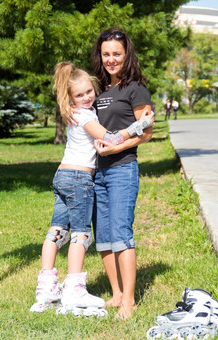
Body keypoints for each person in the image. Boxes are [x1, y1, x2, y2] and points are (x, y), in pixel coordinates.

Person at [30, 61, 153, 316]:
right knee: (81, 234)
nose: (87, 97)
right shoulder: (84, 114)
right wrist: (138, 126)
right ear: (71, 97)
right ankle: (74, 286)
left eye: (89, 92)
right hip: (79, 178)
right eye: (80, 94)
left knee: (56, 231)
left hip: (61, 175)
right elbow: (109, 138)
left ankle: (46, 287)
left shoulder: (71, 111)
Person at [67, 28, 153, 320]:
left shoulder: (135, 88)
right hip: (96, 173)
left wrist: (114, 149)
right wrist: (68, 108)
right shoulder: (100, 89)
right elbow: (81, 104)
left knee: (120, 232)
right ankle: (116, 295)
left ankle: (129, 301)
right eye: (106, 54)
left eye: (117, 53)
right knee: (103, 236)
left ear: (126, 54)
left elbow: (146, 133)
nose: (111, 59)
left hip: (122, 169)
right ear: (100, 56)